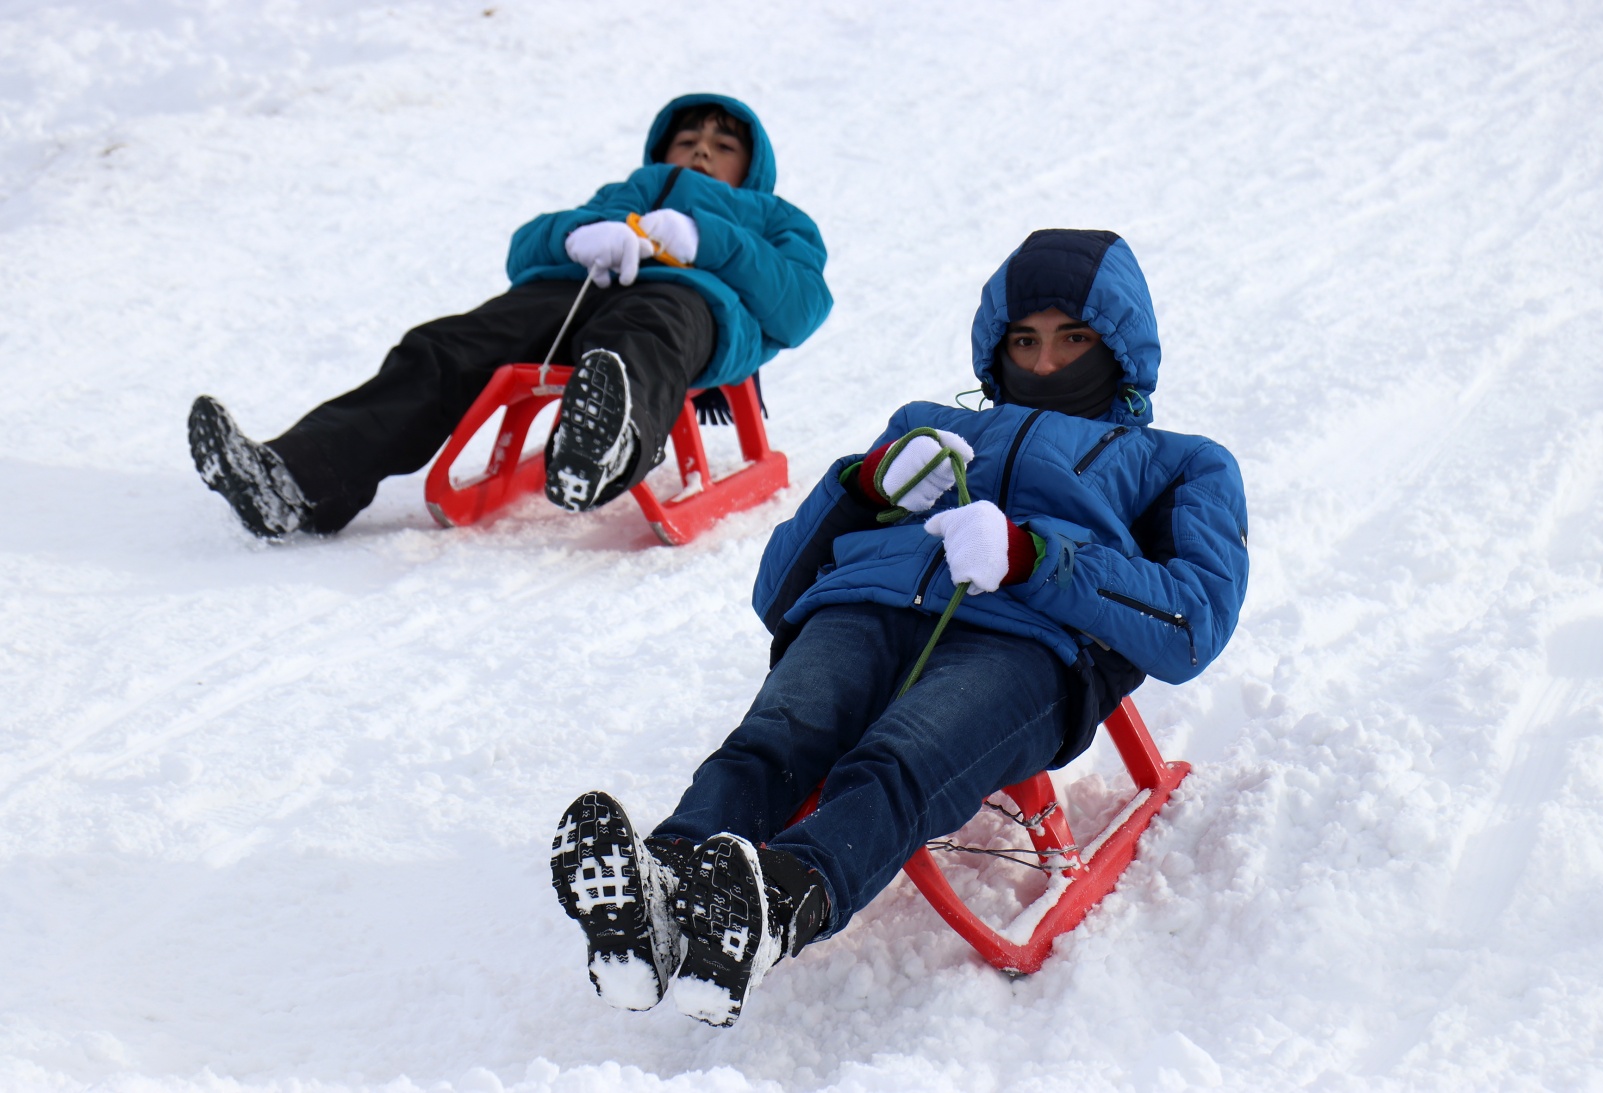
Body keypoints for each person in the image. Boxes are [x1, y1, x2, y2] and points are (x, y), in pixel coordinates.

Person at [550, 229, 1251, 1027]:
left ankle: (775, 904)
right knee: (772, 741)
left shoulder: (1180, 464)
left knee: (900, 758)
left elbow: (1194, 619)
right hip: (862, 609)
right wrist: (862, 482)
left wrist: (1033, 558)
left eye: (1072, 339)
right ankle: (658, 890)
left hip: (1022, 643)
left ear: (1119, 346)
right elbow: (775, 590)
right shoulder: (925, 424)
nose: (1046, 362)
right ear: (997, 344)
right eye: (1025, 339)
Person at [188, 94, 831, 537]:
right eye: (686, 140)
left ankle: (604, 447)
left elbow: (800, 304)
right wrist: (579, 237)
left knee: (641, 335)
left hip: (689, 306)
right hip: (573, 293)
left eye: (721, 145)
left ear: (753, 168)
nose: (699, 152)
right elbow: (524, 249)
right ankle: (297, 479)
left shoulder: (773, 218)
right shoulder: (618, 198)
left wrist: (707, 240)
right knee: (448, 347)